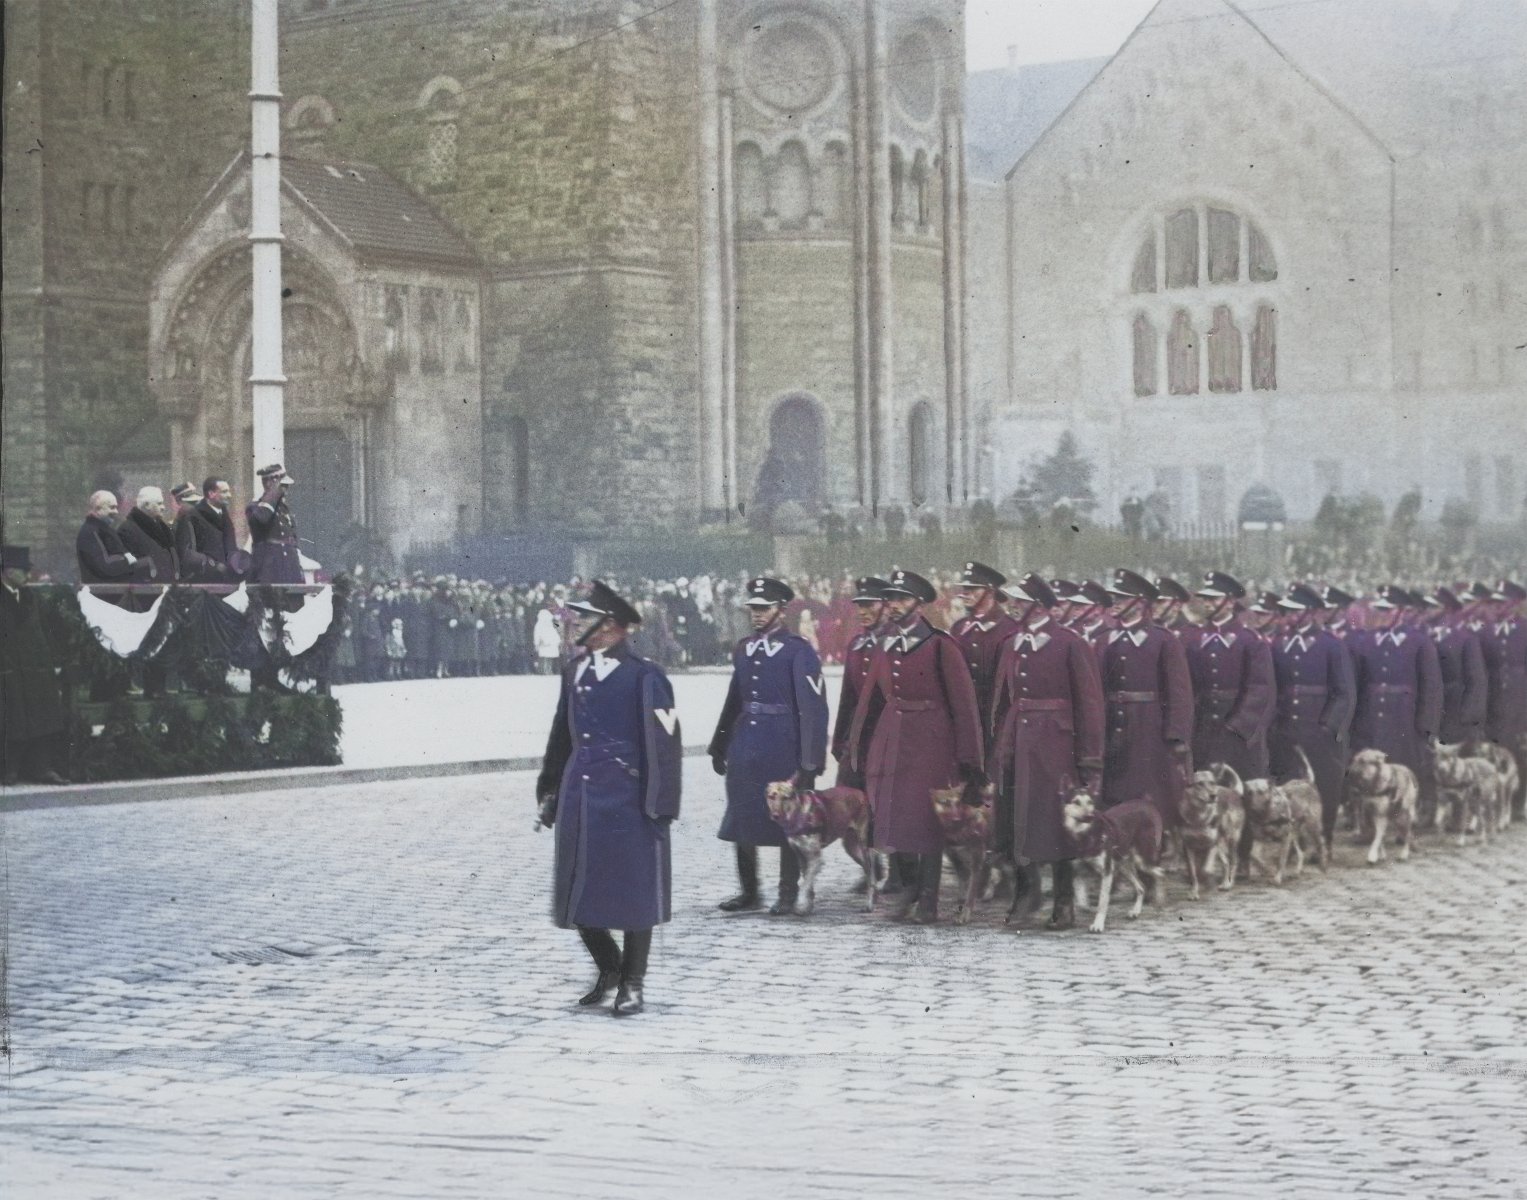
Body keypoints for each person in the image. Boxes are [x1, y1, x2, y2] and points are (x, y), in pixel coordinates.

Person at [535, 580, 682, 1017]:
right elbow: (561, 736)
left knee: (635, 895)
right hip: (581, 795)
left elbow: (665, 744)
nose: (576, 622)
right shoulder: (573, 672)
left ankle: (632, 982)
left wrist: (662, 804)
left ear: (611, 625)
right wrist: (549, 790)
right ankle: (609, 968)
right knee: (577, 893)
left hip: (628, 797)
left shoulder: (645, 675)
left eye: (585, 616)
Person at [846, 568, 984, 923]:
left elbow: (964, 706)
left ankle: (928, 897)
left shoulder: (941, 645)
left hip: (931, 740)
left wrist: (969, 759)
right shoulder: (885, 645)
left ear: (919, 604)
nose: (893, 606)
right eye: (890, 598)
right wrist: (857, 747)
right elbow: (870, 701)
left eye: (901, 599)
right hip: (892, 737)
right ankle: (906, 887)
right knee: (894, 814)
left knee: (927, 820)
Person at [989, 573, 1105, 930]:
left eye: (1021, 601)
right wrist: (999, 744)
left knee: (1057, 823)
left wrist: (1089, 759)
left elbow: (1089, 703)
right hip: (1018, 742)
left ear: (1039, 605)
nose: (1013, 606)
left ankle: (1064, 902)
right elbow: (1001, 699)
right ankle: (1027, 894)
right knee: (1017, 819)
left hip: (1056, 744)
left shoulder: (1069, 643)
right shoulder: (1011, 644)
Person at [709, 576, 829, 915]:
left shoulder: (798, 651)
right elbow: (735, 698)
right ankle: (749, 891)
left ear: (781, 610)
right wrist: (720, 744)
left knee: (787, 822)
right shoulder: (745, 648)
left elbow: (814, 708)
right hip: (746, 743)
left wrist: (810, 761)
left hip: (783, 744)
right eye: (753, 609)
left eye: (764, 609)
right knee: (741, 816)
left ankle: (788, 893)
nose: (757, 615)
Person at [1098, 569, 1194, 831]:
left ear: (1140, 602)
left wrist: (1176, 734)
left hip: (1149, 727)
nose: (1114, 602)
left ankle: (1155, 847)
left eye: (1121, 597)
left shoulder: (1163, 641)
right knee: (1114, 787)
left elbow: (1178, 692)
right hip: (1113, 724)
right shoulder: (1105, 640)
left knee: (1150, 789)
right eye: (1114, 596)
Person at [1268, 584, 1356, 850]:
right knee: (1288, 785)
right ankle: (1295, 844)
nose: (1289, 615)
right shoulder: (1279, 644)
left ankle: (1324, 839)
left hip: (1320, 730)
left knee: (1325, 787)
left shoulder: (1331, 645)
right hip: (1287, 729)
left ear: (1309, 612)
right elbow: (1274, 687)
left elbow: (1344, 693)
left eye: (1295, 610)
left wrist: (1328, 727)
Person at [1182, 572, 1275, 787]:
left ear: (1230, 602)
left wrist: (1238, 727)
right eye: (1205, 599)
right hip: (1204, 732)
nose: (1207, 604)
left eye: (1213, 599)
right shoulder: (1195, 641)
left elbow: (1260, 690)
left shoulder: (1250, 641)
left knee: (1246, 796)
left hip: (1241, 735)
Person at [1347, 584, 1443, 790]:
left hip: (1404, 720)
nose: (1381, 614)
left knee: (1402, 774)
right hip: (1370, 719)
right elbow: (1356, 685)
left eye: (1386, 609)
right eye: (1378, 609)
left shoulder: (1419, 642)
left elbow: (1431, 689)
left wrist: (1427, 727)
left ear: (1401, 611)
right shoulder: (1366, 641)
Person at [1, 546, 69, 785]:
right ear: (7, 571)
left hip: (35, 669)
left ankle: (41, 768)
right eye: (23, 570)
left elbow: (46, 632)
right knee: (13, 720)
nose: (28, 575)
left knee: (43, 719)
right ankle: (9, 770)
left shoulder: (31, 597)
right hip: (9, 670)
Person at [76, 489, 154, 603]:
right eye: (111, 507)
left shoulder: (102, 530)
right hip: (104, 598)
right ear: (98, 509)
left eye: (116, 507)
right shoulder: (90, 532)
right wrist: (133, 562)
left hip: (112, 595)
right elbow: (105, 566)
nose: (116, 512)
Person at [174, 477, 244, 583]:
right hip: (203, 580)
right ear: (211, 494)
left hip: (226, 580)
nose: (229, 496)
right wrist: (212, 565)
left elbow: (230, 545)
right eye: (225, 492)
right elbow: (185, 552)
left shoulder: (224, 515)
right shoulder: (192, 516)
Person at [246, 463, 303, 585]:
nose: (286, 489)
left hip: (290, 570)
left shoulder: (285, 509)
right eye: (283, 486)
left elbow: (293, 539)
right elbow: (262, 519)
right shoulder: (255, 507)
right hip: (269, 571)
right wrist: (272, 493)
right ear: (268, 483)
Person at [118, 486, 180, 588]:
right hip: (146, 593)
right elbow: (129, 567)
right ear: (147, 505)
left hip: (167, 590)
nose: (163, 507)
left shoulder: (163, 528)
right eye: (159, 503)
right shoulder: (127, 530)